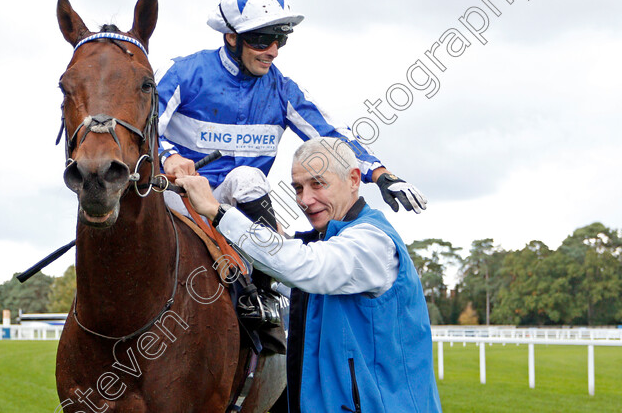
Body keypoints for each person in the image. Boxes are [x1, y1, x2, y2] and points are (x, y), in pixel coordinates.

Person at [155, 0, 426, 329]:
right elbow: (137, 129)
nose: (273, 51)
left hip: (235, 209)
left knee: (247, 178)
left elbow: (332, 137)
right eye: (261, 40)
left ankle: (264, 292)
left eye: (280, 39)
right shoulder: (182, 72)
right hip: (177, 200)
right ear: (231, 37)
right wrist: (168, 157)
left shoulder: (282, 90)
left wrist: (380, 173)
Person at [176, 137, 442, 413]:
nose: (305, 200)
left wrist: (216, 211)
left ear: (353, 180)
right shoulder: (328, 244)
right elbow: (292, 267)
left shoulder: (371, 241)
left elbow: (303, 266)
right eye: (298, 188)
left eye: (318, 184)